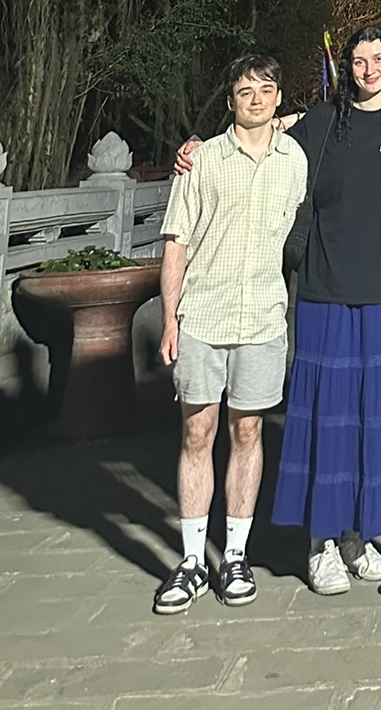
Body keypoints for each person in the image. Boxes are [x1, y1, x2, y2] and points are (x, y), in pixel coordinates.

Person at [153, 54, 307, 615]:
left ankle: (235, 554)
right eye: (246, 91)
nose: (257, 99)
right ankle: (192, 559)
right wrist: (169, 317)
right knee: (198, 433)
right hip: (204, 317)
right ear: (231, 101)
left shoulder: (296, 158)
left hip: (263, 319)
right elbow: (176, 242)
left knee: (249, 434)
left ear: (279, 99)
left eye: (267, 90)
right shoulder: (201, 162)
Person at [270, 25, 381, 593]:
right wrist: (199, 150)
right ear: (347, 68)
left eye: (380, 59)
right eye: (359, 60)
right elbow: (270, 144)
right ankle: (321, 542)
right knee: (325, 415)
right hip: (325, 289)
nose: (369, 69)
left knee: (372, 416)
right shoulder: (324, 123)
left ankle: (360, 533)